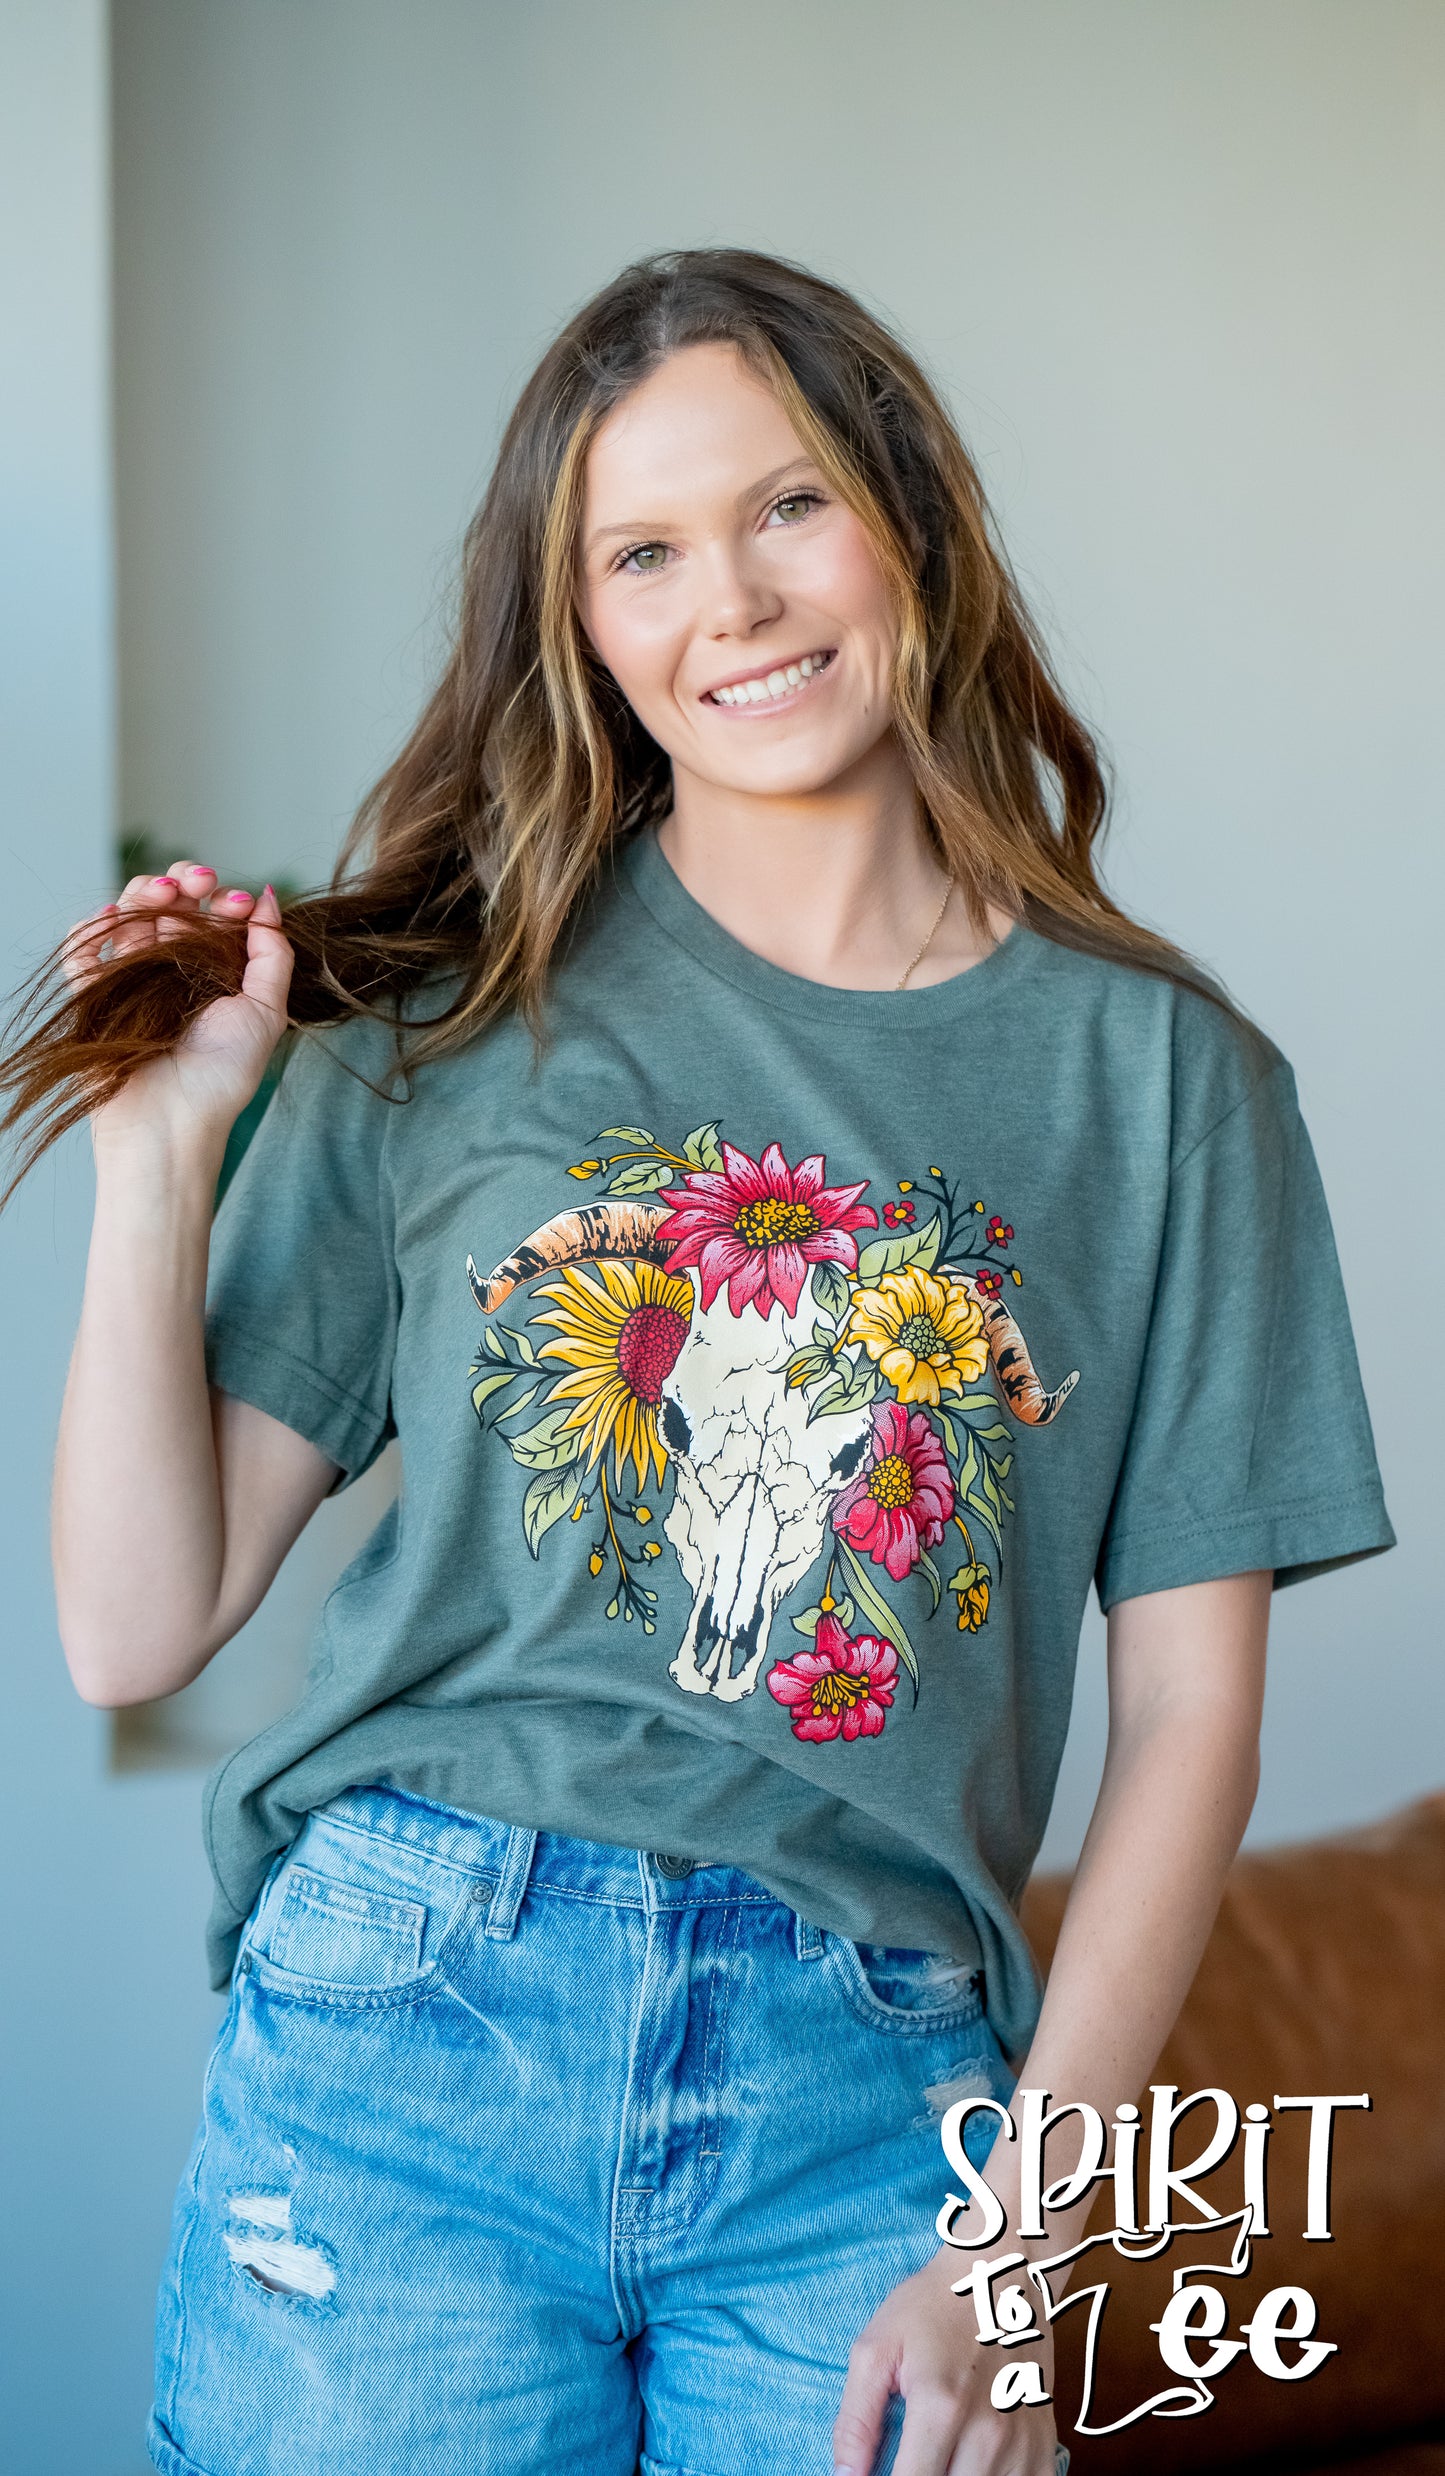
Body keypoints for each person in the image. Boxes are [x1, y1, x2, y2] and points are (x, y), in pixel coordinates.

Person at [7, 249, 1392, 2476]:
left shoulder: (1165, 1083)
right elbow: (131, 1619)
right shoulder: (456, 1014)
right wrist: (162, 1166)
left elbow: (1190, 1732)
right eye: (641, 552)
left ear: (907, 524)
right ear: (580, 626)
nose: (730, 601)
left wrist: (1028, 2253)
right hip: (409, 2032)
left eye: (789, 507)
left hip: (869, 2091)